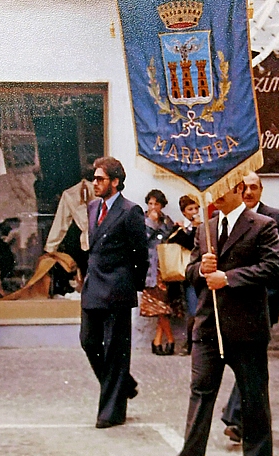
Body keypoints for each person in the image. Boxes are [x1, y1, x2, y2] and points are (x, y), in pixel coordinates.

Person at [157, 181, 279, 456]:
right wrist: (201, 269)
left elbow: (272, 268)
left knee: (253, 394)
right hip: (209, 324)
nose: (215, 195)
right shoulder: (206, 229)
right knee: (200, 390)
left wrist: (229, 277)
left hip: (246, 326)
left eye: (221, 189)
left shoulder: (263, 225)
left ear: (237, 189)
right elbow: (189, 272)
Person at [80, 157, 149, 428]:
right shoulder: (92, 207)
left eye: (100, 179)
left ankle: (111, 412)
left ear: (115, 182)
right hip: (93, 286)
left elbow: (140, 253)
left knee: (115, 351)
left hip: (118, 289)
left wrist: (133, 285)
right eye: (94, 178)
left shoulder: (130, 211)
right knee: (88, 341)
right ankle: (124, 383)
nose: (95, 183)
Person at [220, 171, 279, 441]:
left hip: (262, 299)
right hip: (229, 301)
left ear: (261, 190)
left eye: (253, 188)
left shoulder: (275, 219)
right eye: (244, 187)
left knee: (252, 362)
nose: (248, 192)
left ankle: (237, 418)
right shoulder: (224, 221)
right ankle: (238, 416)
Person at [140, 189, 184, 355]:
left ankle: (158, 341)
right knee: (160, 308)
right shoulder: (142, 219)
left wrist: (177, 228)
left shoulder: (167, 220)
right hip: (151, 271)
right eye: (150, 204)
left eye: (156, 204)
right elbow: (143, 240)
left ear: (161, 205)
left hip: (166, 269)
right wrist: (151, 223)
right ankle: (168, 340)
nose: (153, 207)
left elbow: (170, 238)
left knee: (165, 307)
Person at [169, 195, 202, 355]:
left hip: (202, 273)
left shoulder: (204, 227)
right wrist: (191, 229)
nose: (194, 212)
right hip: (187, 275)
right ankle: (190, 343)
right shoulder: (180, 229)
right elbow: (187, 243)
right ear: (183, 212)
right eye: (190, 209)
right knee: (193, 310)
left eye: (196, 208)